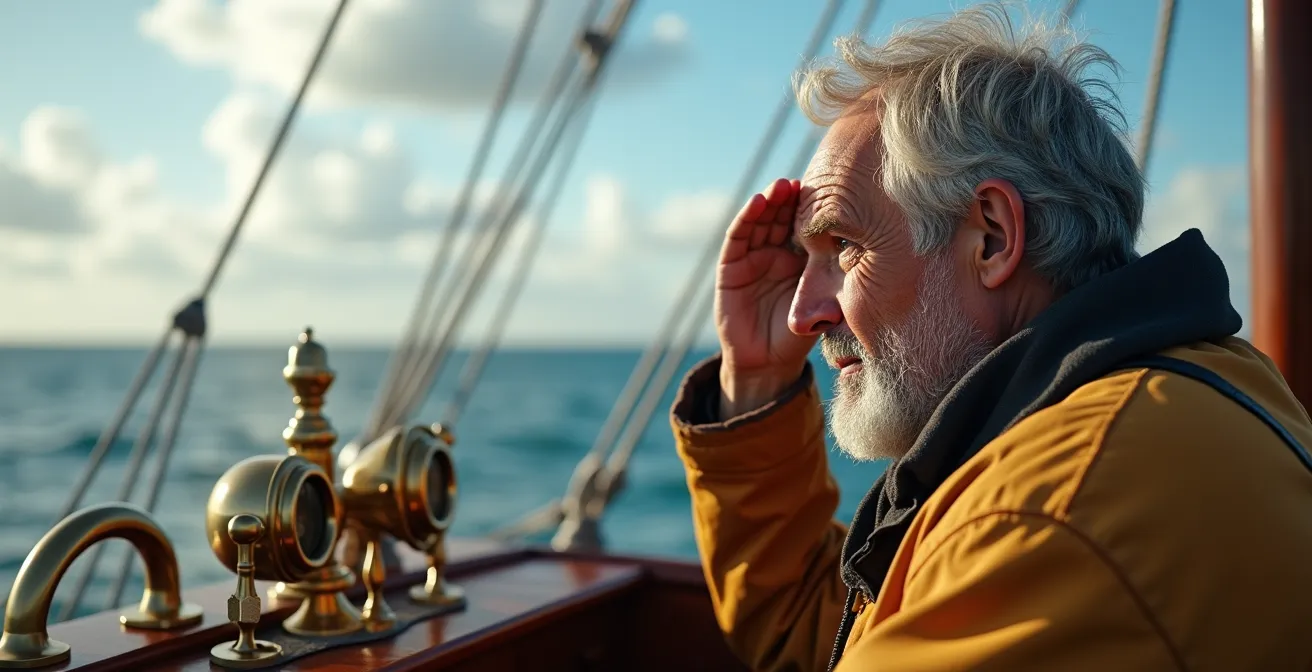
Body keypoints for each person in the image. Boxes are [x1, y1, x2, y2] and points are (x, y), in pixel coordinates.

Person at [669, 5, 1312, 671]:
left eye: (842, 246)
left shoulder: (1045, 517)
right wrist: (755, 381)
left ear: (993, 237)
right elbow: (835, 640)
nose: (805, 314)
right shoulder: (1203, 388)